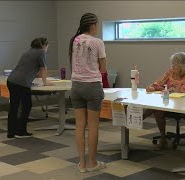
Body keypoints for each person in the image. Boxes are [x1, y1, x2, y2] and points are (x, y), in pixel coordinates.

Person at [69, 13, 107, 173]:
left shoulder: (75, 40)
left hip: (76, 86)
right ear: (92, 25)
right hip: (92, 86)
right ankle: (92, 163)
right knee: (93, 126)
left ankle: (82, 164)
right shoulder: (97, 42)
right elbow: (103, 69)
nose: (97, 27)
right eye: (97, 24)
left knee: (79, 125)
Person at [146, 52, 185, 149]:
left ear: (181, 65)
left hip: (181, 104)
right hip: (168, 101)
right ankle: (163, 138)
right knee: (157, 109)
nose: (172, 66)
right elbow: (159, 82)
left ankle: (140, 117)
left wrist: (172, 88)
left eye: (174, 64)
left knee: (156, 108)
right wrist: (153, 87)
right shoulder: (170, 71)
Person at [7, 37, 53, 139]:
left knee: (14, 107)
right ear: (44, 45)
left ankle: (11, 132)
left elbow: (27, 67)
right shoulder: (41, 52)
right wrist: (45, 82)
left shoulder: (28, 51)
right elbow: (43, 69)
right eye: (47, 45)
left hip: (12, 80)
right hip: (21, 83)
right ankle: (21, 131)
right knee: (26, 105)